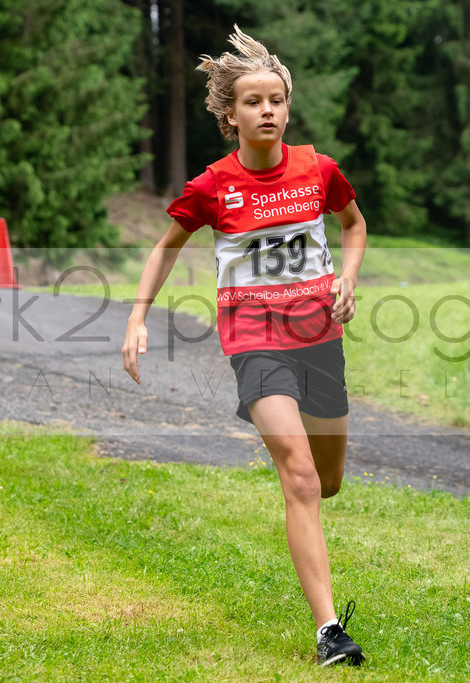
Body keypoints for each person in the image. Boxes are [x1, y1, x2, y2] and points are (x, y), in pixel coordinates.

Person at [121, 25, 367, 667]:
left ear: (287, 107)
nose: (267, 111)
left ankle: (307, 507)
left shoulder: (319, 170)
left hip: (319, 335)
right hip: (254, 339)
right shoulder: (213, 186)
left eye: (276, 101)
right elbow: (164, 247)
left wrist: (347, 276)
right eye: (254, 102)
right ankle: (329, 632)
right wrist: (138, 316)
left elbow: (354, 223)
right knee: (302, 476)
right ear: (230, 115)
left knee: (329, 478)